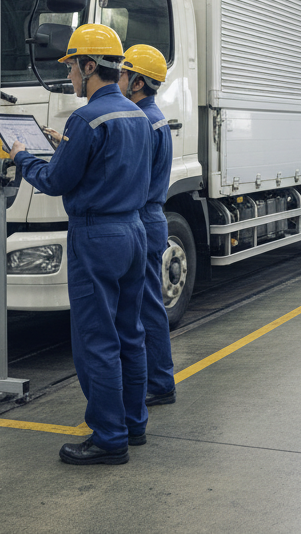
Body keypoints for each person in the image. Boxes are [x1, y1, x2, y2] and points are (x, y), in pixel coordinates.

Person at [10, 23, 152, 466]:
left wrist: (21, 156)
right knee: (130, 333)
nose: (69, 75)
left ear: (90, 66)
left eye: (72, 66)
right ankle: (133, 424)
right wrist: (65, 146)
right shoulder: (137, 115)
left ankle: (109, 438)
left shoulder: (85, 119)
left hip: (96, 236)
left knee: (97, 340)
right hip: (133, 231)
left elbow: (55, 181)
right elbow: (109, 166)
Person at [119, 44, 177, 407]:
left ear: (138, 83)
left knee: (146, 307)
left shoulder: (141, 121)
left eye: (123, 74)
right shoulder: (154, 117)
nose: (117, 79)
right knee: (148, 304)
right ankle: (158, 380)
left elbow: (127, 176)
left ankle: (159, 382)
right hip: (152, 216)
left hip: (142, 217)